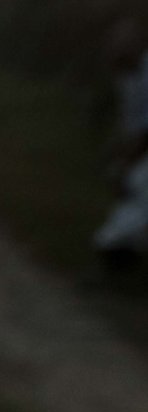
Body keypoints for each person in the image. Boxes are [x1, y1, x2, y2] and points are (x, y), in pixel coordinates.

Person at [97, 16, 148, 270]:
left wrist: (126, 162)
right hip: (138, 148)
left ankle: (117, 245)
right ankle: (121, 250)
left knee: (139, 185)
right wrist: (116, 152)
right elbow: (130, 121)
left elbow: (143, 131)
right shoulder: (126, 76)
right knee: (131, 189)